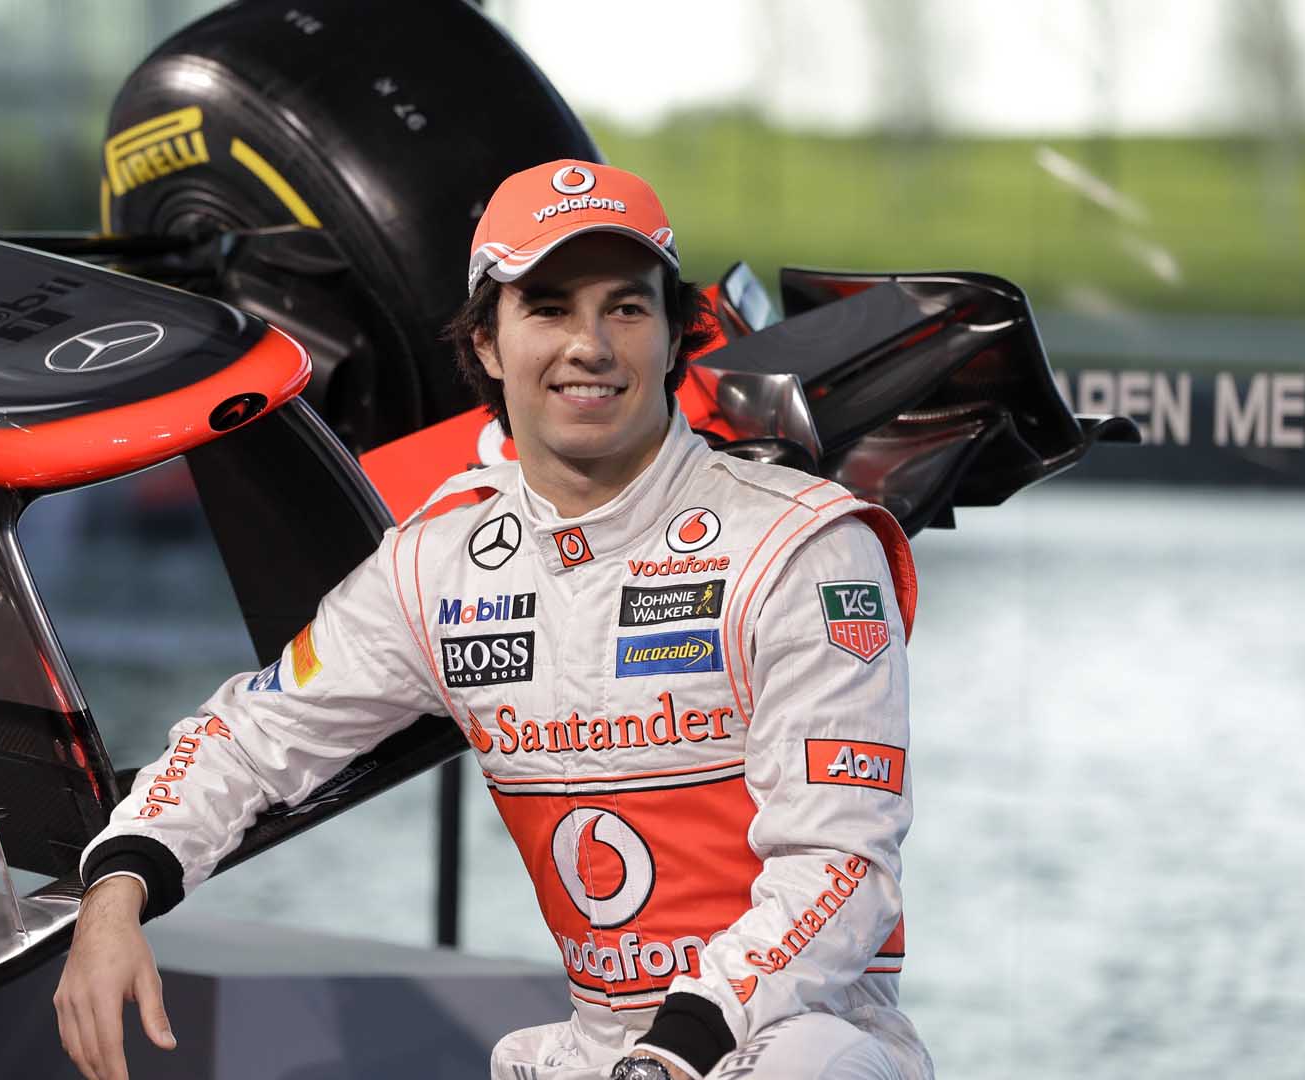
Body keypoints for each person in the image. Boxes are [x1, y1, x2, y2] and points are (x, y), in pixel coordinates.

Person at [54, 159, 933, 1080]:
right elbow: (249, 736)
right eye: (548, 309)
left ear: (676, 335)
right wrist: (115, 893)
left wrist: (683, 1045)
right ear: (486, 342)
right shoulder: (438, 561)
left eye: (626, 308)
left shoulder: (803, 546)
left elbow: (843, 865)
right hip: (594, 1053)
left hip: (797, 1038)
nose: (590, 345)